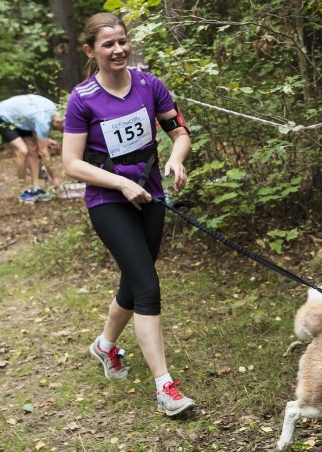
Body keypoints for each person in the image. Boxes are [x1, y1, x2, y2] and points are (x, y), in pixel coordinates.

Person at [62, 12, 195, 417]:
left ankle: (104, 346)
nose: (118, 49)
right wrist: (119, 183)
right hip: (109, 202)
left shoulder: (148, 84)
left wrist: (175, 160)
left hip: (151, 196)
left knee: (135, 280)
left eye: (122, 41)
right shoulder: (82, 99)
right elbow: (71, 163)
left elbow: (179, 132)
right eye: (108, 44)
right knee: (148, 287)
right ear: (91, 51)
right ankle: (165, 388)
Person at [0, 94, 64, 203]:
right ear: (59, 122)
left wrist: (45, 139)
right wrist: (55, 179)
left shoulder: (53, 109)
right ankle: (22, 191)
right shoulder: (43, 120)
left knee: (33, 149)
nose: (62, 131)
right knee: (23, 151)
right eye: (62, 129)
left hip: (21, 119)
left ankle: (36, 188)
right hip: (4, 116)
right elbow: (44, 153)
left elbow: (31, 119)